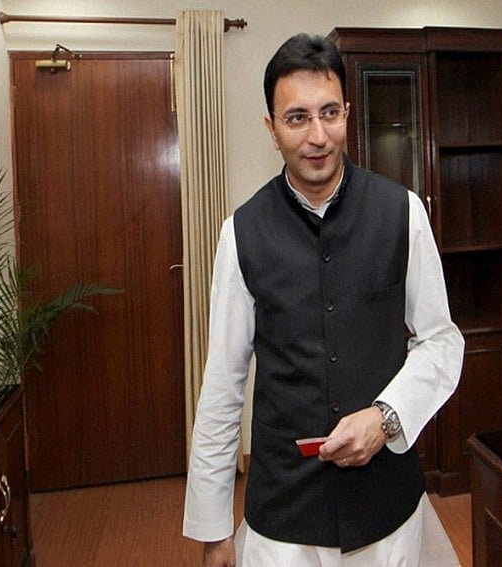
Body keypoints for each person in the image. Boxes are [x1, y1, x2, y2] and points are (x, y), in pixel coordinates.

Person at [183, 33, 464, 566]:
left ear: (347, 114)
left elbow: (441, 341)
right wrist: (214, 527)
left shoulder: (402, 212)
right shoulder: (240, 233)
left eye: (329, 113)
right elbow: (223, 383)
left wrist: (385, 418)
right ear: (271, 129)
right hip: (284, 510)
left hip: (386, 503)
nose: (317, 136)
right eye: (297, 118)